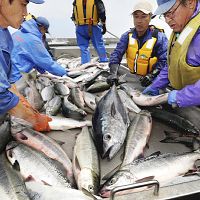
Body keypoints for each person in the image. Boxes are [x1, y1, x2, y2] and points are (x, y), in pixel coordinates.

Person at [0, 0, 52, 132]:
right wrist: (34, 120)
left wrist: (26, 105)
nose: (25, 13)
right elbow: (1, 97)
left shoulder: (5, 34)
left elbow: (9, 82)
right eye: (23, 4)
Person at [143, 0, 200, 108]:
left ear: (190, 2)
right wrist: (156, 85)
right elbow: (173, 64)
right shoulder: (181, 28)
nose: (167, 20)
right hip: (186, 101)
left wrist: (180, 97)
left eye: (170, 12)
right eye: (164, 15)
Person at [107, 0, 168, 87]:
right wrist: (113, 73)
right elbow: (116, 54)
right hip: (133, 76)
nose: (139, 21)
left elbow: (165, 61)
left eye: (143, 17)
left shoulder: (159, 37)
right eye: (136, 17)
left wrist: (152, 75)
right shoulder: (127, 36)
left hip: (152, 79)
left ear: (150, 17)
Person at [71, 0, 108, 64]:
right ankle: (104, 61)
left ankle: (85, 63)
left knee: (83, 47)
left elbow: (74, 14)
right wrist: (103, 24)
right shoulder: (97, 0)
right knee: (99, 45)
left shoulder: (76, 1)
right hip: (93, 26)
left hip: (80, 27)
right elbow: (102, 12)